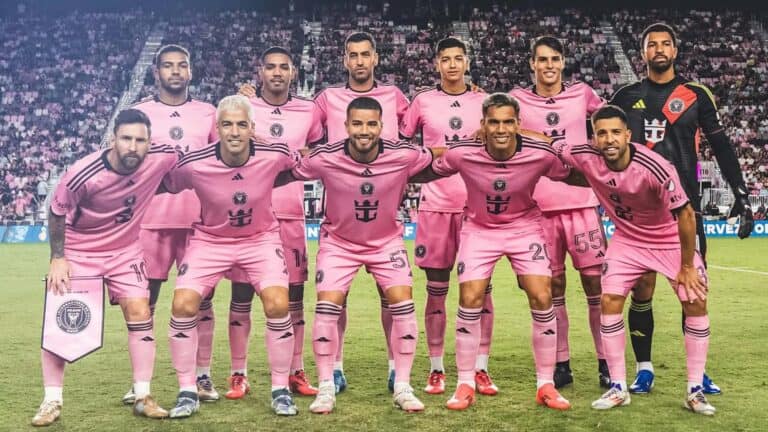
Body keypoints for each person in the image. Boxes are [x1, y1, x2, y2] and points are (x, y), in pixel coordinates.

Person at [242, 32, 410, 393]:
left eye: (366, 54)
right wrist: (250, 102)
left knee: (391, 296)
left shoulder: (395, 98)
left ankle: (397, 367)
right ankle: (334, 367)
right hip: (340, 219)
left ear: (376, 58)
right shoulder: (325, 100)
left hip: (385, 219)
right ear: (345, 60)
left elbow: (412, 140)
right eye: (354, 55)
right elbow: (298, 127)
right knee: (336, 297)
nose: (360, 61)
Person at [610, 22, 754, 394]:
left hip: (684, 211)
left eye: (665, 44)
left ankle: (698, 372)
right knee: (641, 289)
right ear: (642, 53)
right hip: (640, 214)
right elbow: (606, 145)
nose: (658, 49)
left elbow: (722, 148)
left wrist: (742, 195)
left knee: (693, 292)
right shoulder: (625, 96)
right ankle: (643, 368)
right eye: (651, 44)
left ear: (675, 51)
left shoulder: (695, 94)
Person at [275, 96, 435, 414]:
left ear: (381, 125)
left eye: (371, 123)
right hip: (339, 244)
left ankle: (402, 386)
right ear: (346, 126)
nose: (364, 130)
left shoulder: (403, 155)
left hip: (386, 242)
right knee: (327, 306)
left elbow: (439, 159)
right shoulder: (324, 157)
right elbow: (288, 169)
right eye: (357, 124)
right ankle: (325, 387)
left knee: (403, 302)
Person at [555, 105, 716, 415]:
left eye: (616, 132)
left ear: (628, 135)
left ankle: (695, 391)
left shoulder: (655, 166)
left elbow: (684, 214)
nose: (609, 139)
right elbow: (550, 144)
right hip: (628, 240)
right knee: (610, 300)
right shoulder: (585, 154)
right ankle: (618, 387)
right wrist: (515, 131)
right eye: (602, 133)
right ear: (595, 137)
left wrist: (685, 267)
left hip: (668, 239)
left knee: (695, 300)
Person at [424, 93, 579, 411]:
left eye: (508, 121)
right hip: (479, 229)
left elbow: (572, 173)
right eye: (493, 121)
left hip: (524, 228)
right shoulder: (463, 153)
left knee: (542, 296)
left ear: (518, 124)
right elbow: (427, 169)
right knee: (470, 297)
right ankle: (465, 382)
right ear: (482, 124)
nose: (501, 128)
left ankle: (545, 384)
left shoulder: (540, 154)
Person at [33, 109, 177, 426]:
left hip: (125, 252)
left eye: (140, 140)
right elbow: (57, 211)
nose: (133, 146)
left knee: (141, 312)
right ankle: (51, 401)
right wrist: (58, 257)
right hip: (80, 251)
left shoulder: (161, 157)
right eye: (126, 138)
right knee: (62, 324)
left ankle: (142, 395)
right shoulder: (84, 173)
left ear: (149, 142)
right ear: (113, 139)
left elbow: (197, 152)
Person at [162, 95, 298, 418]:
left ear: (252, 128)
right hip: (211, 239)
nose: (234, 132)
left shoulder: (275, 154)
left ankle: (280, 389)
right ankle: (187, 389)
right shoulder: (194, 163)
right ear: (217, 128)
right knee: (182, 304)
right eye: (227, 124)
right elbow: (164, 182)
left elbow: (300, 162)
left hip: (260, 239)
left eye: (241, 125)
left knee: (278, 303)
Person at [224, 46, 324, 400]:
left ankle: (296, 369)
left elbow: (316, 154)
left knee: (294, 295)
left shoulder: (309, 110)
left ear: (293, 71)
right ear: (260, 71)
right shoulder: (244, 107)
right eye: (270, 67)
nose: (277, 73)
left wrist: (280, 152)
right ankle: (239, 373)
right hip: (249, 215)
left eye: (284, 67)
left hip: (291, 213)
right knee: (241, 295)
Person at [510, 35, 609, 389]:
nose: (549, 65)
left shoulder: (582, 94)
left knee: (596, 285)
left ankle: (606, 361)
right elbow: (509, 128)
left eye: (555, 59)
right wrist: (545, 140)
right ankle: (561, 361)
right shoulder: (518, 99)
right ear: (532, 64)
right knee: (553, 288)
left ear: (563, 62)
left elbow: (608, 118)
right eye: (542, 60)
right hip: (538, 207)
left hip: (582, 203)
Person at [400, 37, 496, 395]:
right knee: (436, 292)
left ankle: (480, 368)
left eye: (458, 58)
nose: (452, 65)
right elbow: (403, 144)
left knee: (481, 293)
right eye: (445, 59)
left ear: (467, 61)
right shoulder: (423, 101)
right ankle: (437, 367)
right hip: (435, 205)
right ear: (436, 64)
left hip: (477, 207)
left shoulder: (483, 101)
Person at [130, 44, 218, 404]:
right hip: (151, 219)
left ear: (191, 71)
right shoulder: (139, 113)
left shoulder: (209, 113)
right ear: (156, 72)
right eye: (168, 66)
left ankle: (203, 376)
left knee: (202, 302)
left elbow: (221, 162)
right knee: (144, 302)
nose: (176, 71)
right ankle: (141, 383)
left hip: (199, 220)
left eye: (182, 65)